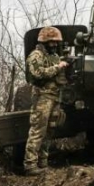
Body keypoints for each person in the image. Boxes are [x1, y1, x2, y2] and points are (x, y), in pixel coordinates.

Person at [23, 26, 70, 176]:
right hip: (43, 97)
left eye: (56, 42)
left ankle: (43, 163)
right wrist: (58, 67)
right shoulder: (36, 56)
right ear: (44, 42)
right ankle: (30, 165)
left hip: (55, 96)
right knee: (38, 130)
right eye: (51, 42)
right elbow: (38, 73)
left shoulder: (54, 56)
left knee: (50, 131)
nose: (54, 44)